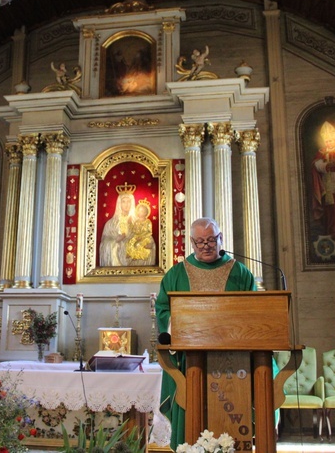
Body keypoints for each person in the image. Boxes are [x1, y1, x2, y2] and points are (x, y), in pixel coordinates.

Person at [156, 217, 257, 450]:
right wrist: (179, 327)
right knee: (192, 414)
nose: (206, 246)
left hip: (234, 363)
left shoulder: (240, 273)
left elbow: (254, 309)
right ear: (192, 243)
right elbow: (163, 308)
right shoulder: (177, 274)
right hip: (190, 360)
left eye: (211, 240)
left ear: (221, 239)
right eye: (200, 242)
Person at [99, 190, 136, 267]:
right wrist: (116, 240)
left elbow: (145, 236)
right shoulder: (110, 224)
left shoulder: (137, 223)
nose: (126, 205)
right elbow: (104, 242)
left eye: (128, 202)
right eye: (123, 202)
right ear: (119, 204)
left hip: (133, 256)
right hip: (117, 257)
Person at [125, 198, 156, 266]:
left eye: (142, 211)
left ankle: (138, 256)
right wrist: (129, 223)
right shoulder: (136, 221)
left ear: (145, 213)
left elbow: (149, 231)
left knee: (138, 244)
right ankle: (132, 255)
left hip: (145, 237)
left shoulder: (148, 222)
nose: (140, 212)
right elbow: (133, 230)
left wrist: (142, 236)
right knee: (130, 242)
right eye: (139, 211)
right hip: (137, 236)